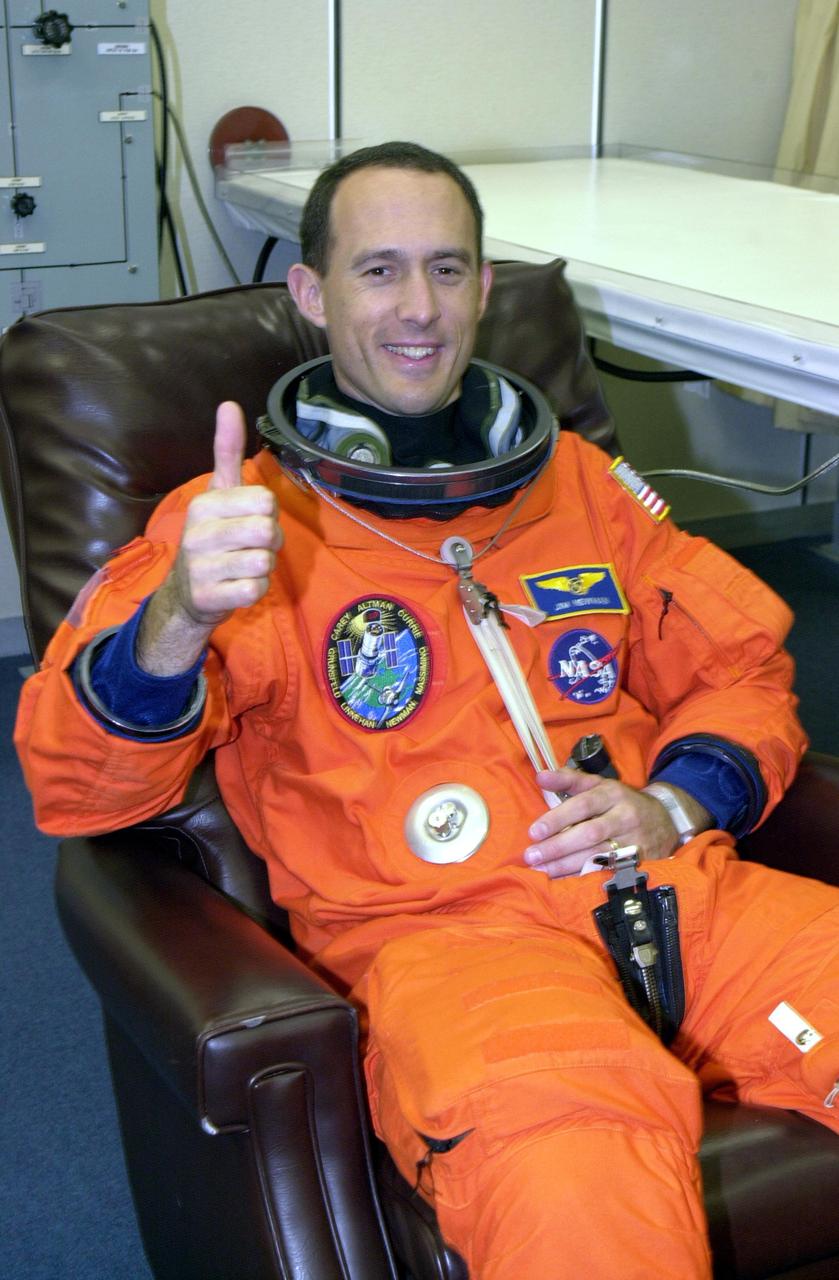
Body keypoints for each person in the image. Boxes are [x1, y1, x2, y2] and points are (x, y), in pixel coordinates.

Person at [15, 142, 839, 1279]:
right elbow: (74, 785)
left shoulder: (582, 490)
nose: (418, 307)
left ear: (484, 289)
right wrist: (174, 619)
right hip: (452, 946)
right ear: (310, 293)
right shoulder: (243, 534)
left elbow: (742, 666)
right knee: (576, 1169)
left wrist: (674, 798)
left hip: (675, 900)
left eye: (447, 270)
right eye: (378, 270)